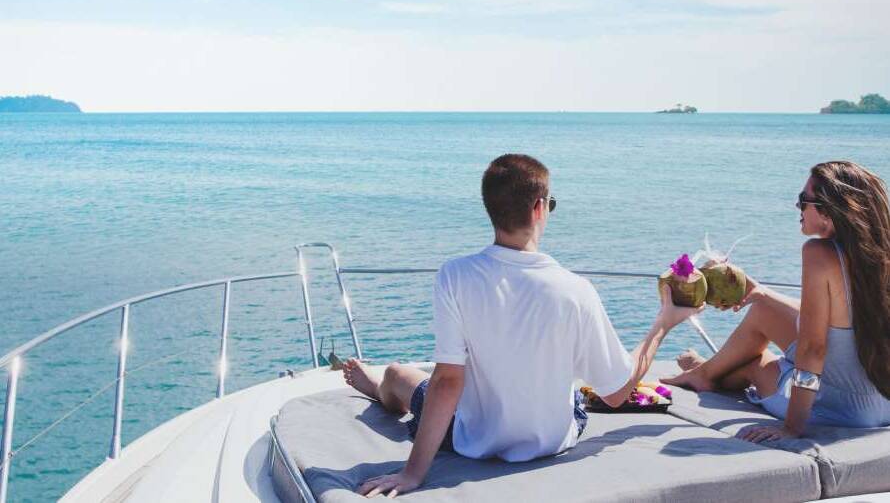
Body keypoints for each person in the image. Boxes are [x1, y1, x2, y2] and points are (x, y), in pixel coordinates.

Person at [342, 153, 702, 497]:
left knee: (397, 374)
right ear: (539, 208)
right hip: (553, 439)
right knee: (573, 387)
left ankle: (379, 386)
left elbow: (448, 381)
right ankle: (380, 385)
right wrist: (662, 324)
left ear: (491, 209)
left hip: (472, 440)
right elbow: (617, 393)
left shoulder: (455, 275)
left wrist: (413, 473)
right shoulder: (576, 290)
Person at [663, 161, 890, 442]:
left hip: (841, 409)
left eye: (802, 201)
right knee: (762, 310)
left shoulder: (819, 254)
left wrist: (792, 427)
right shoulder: (879, 255)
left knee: (754, 363)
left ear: (829, 212)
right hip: (883, 401)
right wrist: (761, 293)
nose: (798, 209)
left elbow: (814, 348)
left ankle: (706, 373)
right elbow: (840, 320)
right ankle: (705, 371)